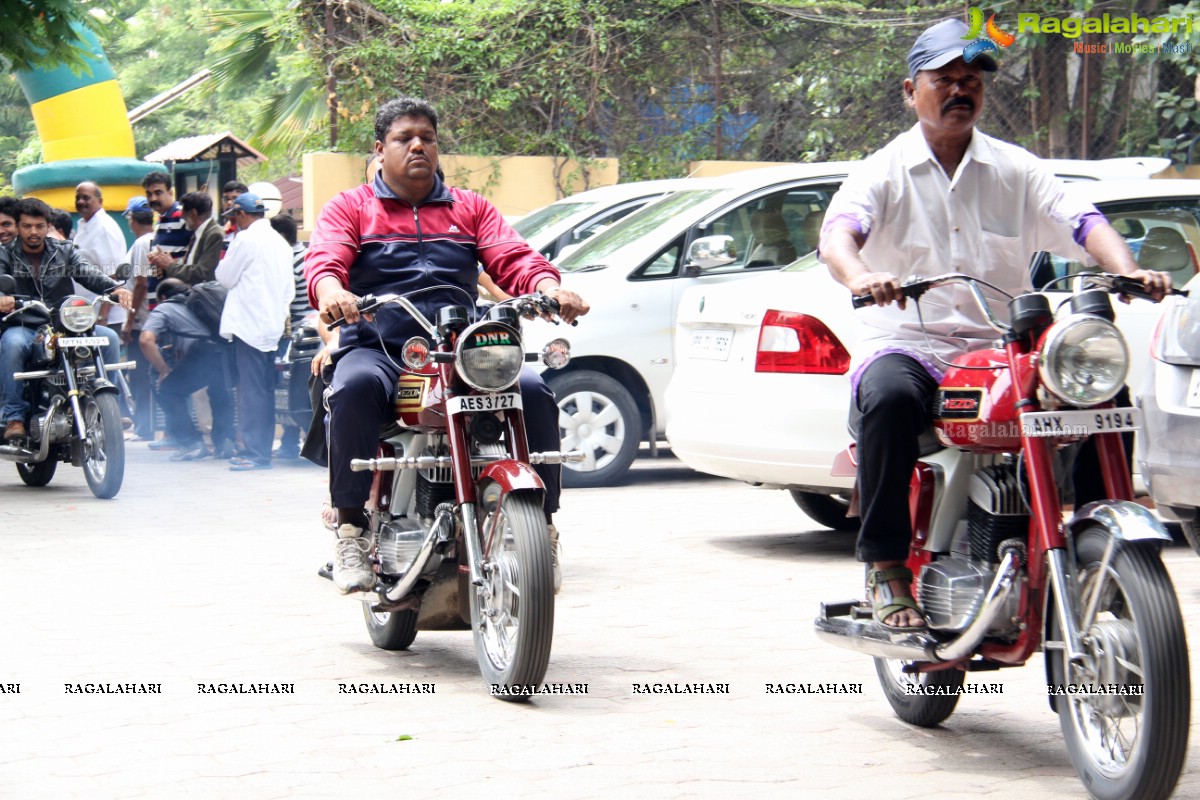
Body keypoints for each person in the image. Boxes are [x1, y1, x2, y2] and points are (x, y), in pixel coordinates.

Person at [819, 18, 1172, 631]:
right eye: (944, 80)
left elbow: (1083, 221)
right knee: (890, 397)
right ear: (911, 92)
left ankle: (1098, 539)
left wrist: (1128, 270)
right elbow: (838, 236)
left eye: (971, 80)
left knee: (1103, 395)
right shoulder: (881, 171)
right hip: (911, 340)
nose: (961, 90)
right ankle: (884, 566)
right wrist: (859, 279)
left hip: (1000, 344)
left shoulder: (1017, 169)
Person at [305, 96, 589, 594]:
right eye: (403, 138)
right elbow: (326, 260)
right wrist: (333, 293)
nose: (418, 145)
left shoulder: (470, 207)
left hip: (460, 349)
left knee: (534, 390)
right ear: (379, 148)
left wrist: (547, 288)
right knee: (351, 388)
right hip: (382, 346)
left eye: (427, 138)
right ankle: (350, 528)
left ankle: (542, 528)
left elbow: (513, 257)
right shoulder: (350, 207)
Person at [0, 198, 133, 441]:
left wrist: (114, 289)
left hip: (63, 325)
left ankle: (106, 407)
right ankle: (14, 417)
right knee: (12, 344)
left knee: (109, 338)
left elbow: (88, 273)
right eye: (27, 226)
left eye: (39, 226)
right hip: (24, 324)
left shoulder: (64, 251)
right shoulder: (5, 254)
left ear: (48, 226)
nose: (33, 232)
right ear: (18, 227)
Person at [215, 192, 294, 471]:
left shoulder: (245, 239)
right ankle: (261, 452)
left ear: (241, 215)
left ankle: (255, 453)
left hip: (249, 325)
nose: (233, 223)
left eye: (233, 217)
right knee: (263, 392)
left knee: (251, 392)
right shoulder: (280, 243)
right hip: (271, 326)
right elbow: (289, 291)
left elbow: (224, 277)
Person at [139, 278, 235, 461]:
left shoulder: (164, 308)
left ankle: (191, 443)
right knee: (220, 392)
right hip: (227, 353)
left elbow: (146, 340)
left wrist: (163, 370)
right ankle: (225, 442)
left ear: (162, 297)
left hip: (202, 353)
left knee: (168, 391)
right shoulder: (204, 301)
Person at [270, 213, 309, 459]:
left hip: (298, 331)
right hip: (307, 328)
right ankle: (288, 440)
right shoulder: (305, 254)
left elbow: (286, 298)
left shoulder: (289, 260)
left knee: (292, 386)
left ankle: (292, 441)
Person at [120, 196, 159, 441]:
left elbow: (141, 284)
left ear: (132, 219)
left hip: (142, 321)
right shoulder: (151, 239)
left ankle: (145, 427)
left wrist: (129, 320)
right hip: (150, 319)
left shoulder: (141, 244)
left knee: (141, 376)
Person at [73, 181, 129, 335]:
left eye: (86, 198)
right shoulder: (86, 225)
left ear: (100, 201)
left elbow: (113, 275)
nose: (81, 202)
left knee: (105, 359)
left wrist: (103, 315)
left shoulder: (104, 228)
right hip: (87, 314)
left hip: (104, 318)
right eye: (78, 198)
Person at [160, 191, 223, 285]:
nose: (181, 215)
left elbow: (202, 273)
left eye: (183, 211)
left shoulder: (214, 234)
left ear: (193, 213)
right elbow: (190, 264)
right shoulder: (197, 233)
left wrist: (170, 265)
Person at [221, 180, 249, 254]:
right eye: (226, 199)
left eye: (234, 198)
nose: (229, 203)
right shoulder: (223, 232)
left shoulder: (251, 230)